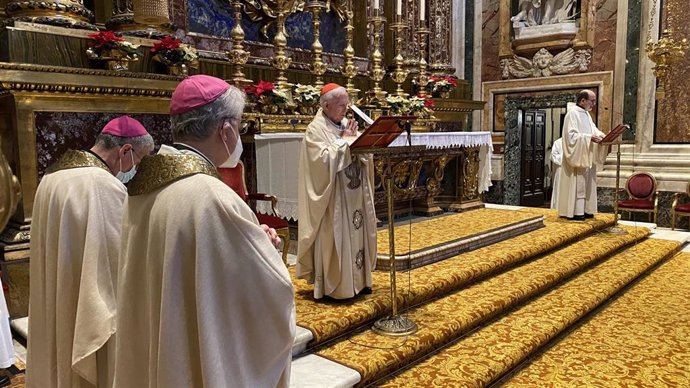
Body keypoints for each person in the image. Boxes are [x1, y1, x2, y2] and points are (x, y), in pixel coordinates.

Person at [112, 75, 295, 388]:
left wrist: (249, 239)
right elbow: (270, 290)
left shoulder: (142, 185)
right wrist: (266, 248)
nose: (238, 134)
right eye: (238, 126)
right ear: (225, 129)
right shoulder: (211, 195)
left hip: (158, 345)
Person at [27, 116, 154, 388]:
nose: (136, 170)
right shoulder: (102, 186)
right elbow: (120, 265)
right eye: (139, 161)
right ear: (125, 151)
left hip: (60, 293)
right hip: (86, 312)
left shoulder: (52, 176)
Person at [296, 83, 377, 300]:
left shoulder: (343, 123)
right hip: (335, 199)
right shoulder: (315, 129)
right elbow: (321, 162)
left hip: (354, 193)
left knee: (357, 234)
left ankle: (360, 282)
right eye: (341, 105)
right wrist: (346, 142)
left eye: (347, 104)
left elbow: (358, 150)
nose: (346, 109)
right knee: (339, 236)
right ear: (326, 105)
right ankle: (340, 287)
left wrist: (361, 144)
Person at [556, 90, 608, 220]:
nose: (594, 104)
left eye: (594, 100)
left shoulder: (586, 115)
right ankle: (575, 212)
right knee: (578, 182)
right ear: (583, 100)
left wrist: (602, 136)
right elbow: (571, 136)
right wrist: (588, 138)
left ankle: (586, 209)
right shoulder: (572, 113)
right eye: (592, 100)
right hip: (578, 156)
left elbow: (593, 129)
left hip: (587, 155)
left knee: (588, 183)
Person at [550, 137, 563, 209]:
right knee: (559, 191)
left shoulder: (578, 142)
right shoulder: (558, 142)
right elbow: (553, 156)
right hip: (561, 170)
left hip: (574, 171)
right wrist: (567, 157)